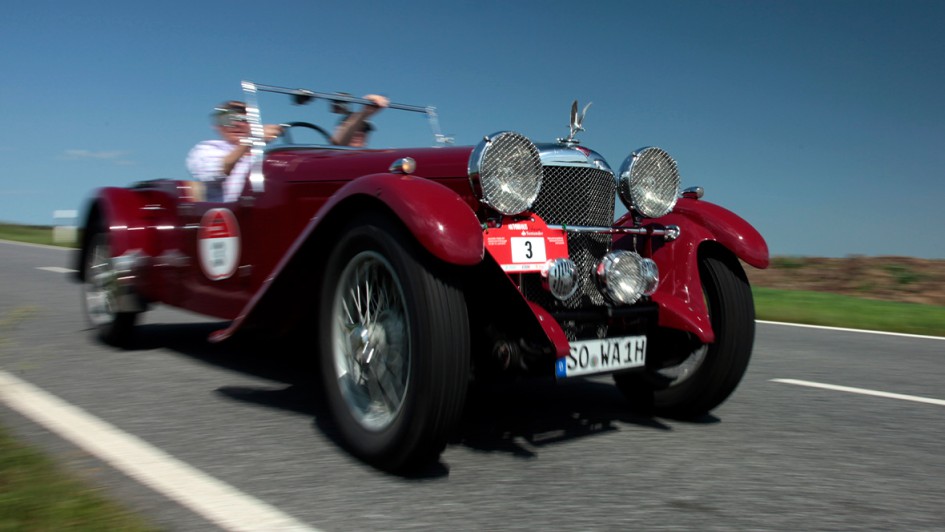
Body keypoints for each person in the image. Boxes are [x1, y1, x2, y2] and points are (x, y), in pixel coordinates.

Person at [186, 101, 282, 202]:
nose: (237, 124)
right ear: (217, 126)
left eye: (245, 119)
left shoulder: (267, 154)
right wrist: (251, 140)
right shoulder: (207, 148)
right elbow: (217, 172)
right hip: (232, 214)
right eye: (227, 119)